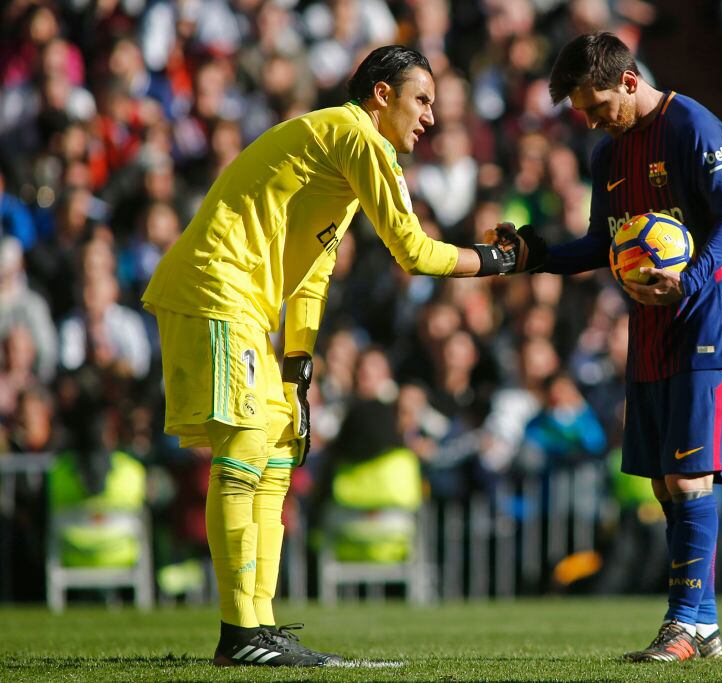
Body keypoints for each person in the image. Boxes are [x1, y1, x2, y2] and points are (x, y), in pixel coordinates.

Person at [142, 45, 523, 668]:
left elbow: (312, 276)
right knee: (242, 452)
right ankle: (239, 632)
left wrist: (298, 370)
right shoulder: (355, 136)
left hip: (246, 307)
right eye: (421, 100)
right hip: (215, 290)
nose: (430, 117)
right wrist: (501, 261)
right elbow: (414, 252)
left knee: (278, 452)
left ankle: (259, 627)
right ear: (381, 95)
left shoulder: (337, 154)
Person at [500, 32, 722, 662]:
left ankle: (686, 623)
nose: (591, 120)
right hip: (650, 330)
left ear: (630, 82)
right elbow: (600, 243)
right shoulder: (607, 156)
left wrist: (690, 280)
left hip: (706, 328)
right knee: (666, 488)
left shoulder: (694, 127)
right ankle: (705, 623)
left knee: (688, 477)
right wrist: (536, 255)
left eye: (596, 106)